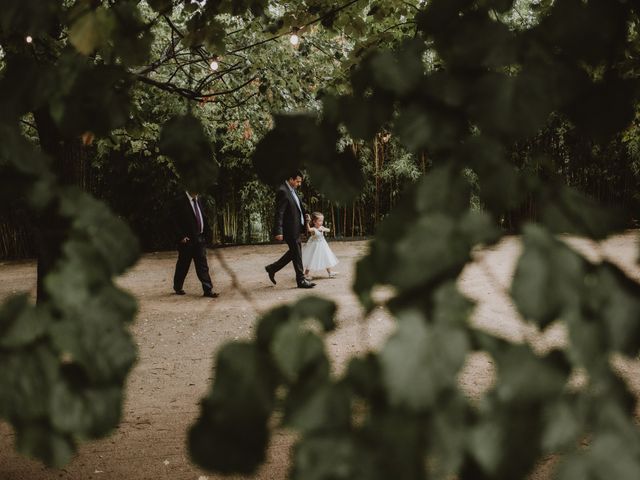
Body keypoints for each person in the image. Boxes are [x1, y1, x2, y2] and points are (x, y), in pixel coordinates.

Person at [264, 171, 315, 289]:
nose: (299, 184)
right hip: (289, 229)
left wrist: (304, 215)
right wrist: (278, 231)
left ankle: (272, 268)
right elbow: (279, 213)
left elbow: (296, 208)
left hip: (296, 227)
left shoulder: (292, 190)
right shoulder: (283, 191)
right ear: (290, 179)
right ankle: (301, 280)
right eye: (297, 181)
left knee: (294, 252)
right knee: (296, 253)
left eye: (300, 181)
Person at [172, 191, 218, 298]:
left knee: (202, 265)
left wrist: (207, 234)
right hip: (187, 240)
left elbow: (202, 217)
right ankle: (177, 287)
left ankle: (208, 289)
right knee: (183, 265)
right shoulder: (180, 201)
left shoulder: (198, 199)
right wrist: (181, 237)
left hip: (199, 239)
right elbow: (173, 221)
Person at [302, 212, 339, 279]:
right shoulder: (313, 229)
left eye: (322, 220)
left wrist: (324, 229)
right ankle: (305, 274)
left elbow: (329, 230)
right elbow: (309, 229)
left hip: (323, 246)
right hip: (315, 247)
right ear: (314, 222)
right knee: (311, 259)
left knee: (326, 257)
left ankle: (330, 273)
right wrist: (307, 222)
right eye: (320, 221)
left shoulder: (321, 227)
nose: (321, 222)